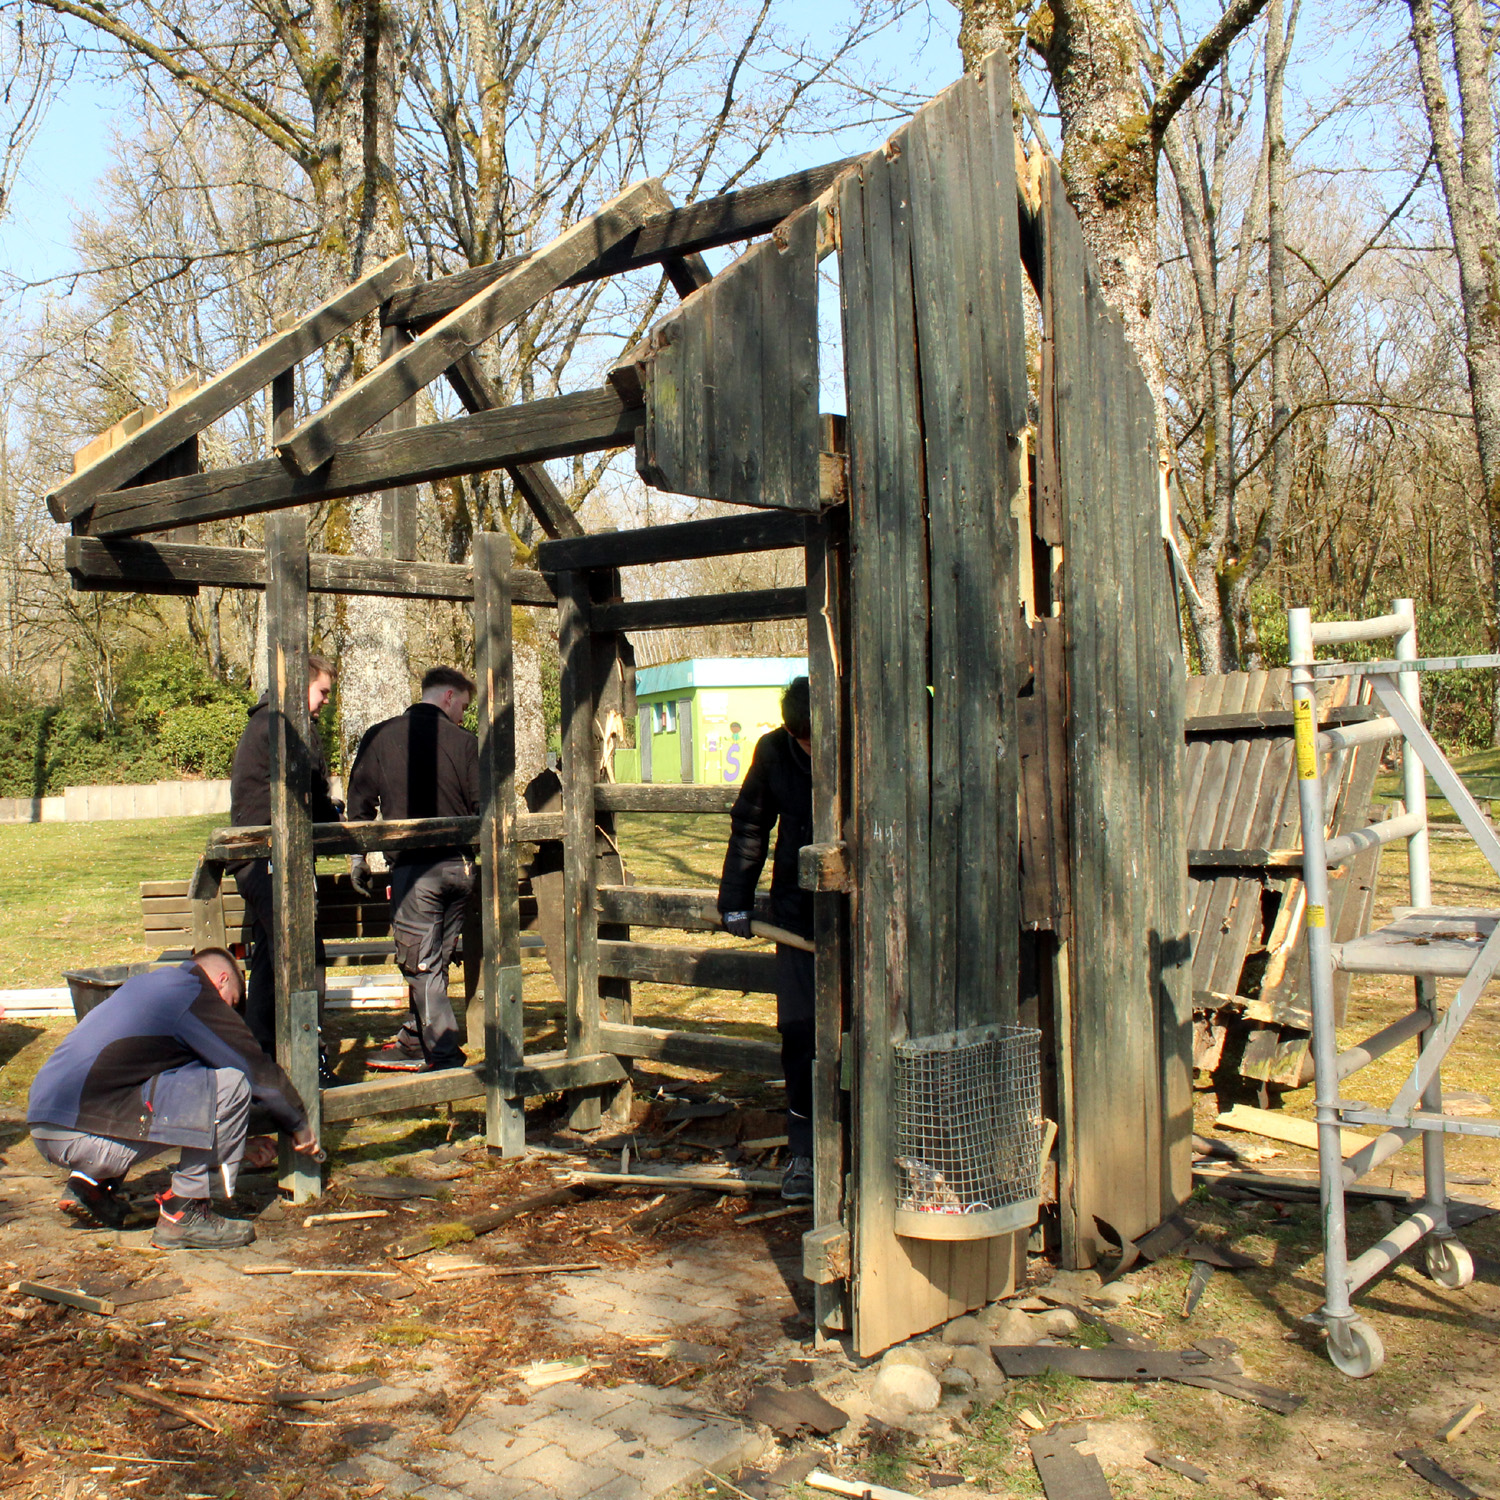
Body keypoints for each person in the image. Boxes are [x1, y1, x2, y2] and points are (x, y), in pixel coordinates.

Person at [27, 949, 319, 1250]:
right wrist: (299, 1122)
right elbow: (253, 1068)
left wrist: (234, 1144)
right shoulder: (194, 994)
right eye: (231, 1004)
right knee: (232, 1083)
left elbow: (176, 1093)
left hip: (46, 1124)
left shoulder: (150, 987)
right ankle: (186, 1213)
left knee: (170, 1086)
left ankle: (90, 1187)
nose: (229, 1016)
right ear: (221, 980)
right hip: (84, 1132)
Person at [347, 666, 480, 1073]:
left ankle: (443, 1056)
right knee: (431, 964)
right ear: (446, 697)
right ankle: (412, 1039)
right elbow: (483, 807)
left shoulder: (381, 737)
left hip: (415, 873)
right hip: (459, 870)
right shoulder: (466, 743)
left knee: (420, 966)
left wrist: (358, 857)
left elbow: (359, 803)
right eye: (462, 705)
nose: (462, 715)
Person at [718, 676, 815, 1202]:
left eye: (814, 737)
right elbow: (751, 824)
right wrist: (735, 897)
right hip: (798, 917)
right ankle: (805, 1153)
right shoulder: (774, 752)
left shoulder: (862, 739)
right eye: (800, 737)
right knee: (800, 1035)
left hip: (870, 917)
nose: (808, 747)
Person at [227, 653, 341, 1088]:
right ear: (300, 686)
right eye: (322, 691)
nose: (325, 701)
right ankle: (305, 1060)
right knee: (300, 957)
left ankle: (263, 1059)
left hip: (260, 859)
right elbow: (309, 788)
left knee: (274, 962)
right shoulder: (286, 727)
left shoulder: (266, 724)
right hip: (274, 860)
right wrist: (336, 821)